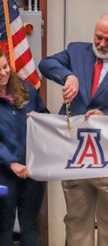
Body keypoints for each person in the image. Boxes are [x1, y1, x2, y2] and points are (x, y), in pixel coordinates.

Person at [38, 13, 108, 246]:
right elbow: (45, 64)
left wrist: (107, 117)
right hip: (76, 155)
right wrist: (68, 76)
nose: (101, 44)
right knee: (76, 219)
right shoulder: (76, 51)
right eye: (98, 37)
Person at [0, 48, 49, 245]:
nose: (3, 73)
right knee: (4, 224)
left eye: (5, 67)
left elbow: (47, 119)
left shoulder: (26, 88)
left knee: (29, 223)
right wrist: (10, 162)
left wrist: (40, 119)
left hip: (32, 169)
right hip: (3, 173)